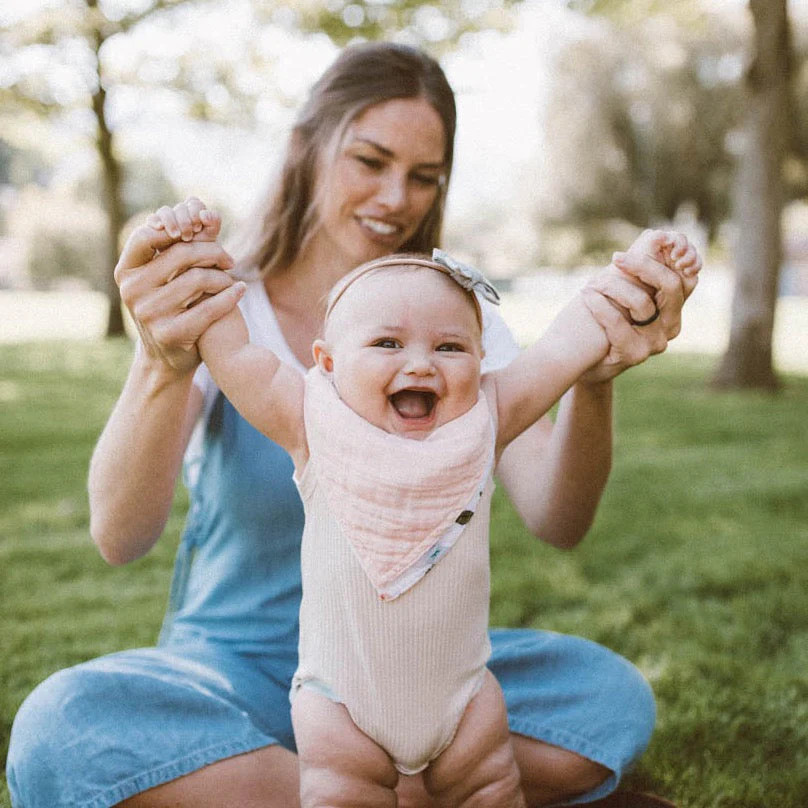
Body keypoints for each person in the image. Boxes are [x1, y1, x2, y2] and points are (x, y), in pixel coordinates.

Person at [6, 42, 700, 808]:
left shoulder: (449, 328)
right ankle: (392, 792)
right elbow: (120, 534)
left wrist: (592, 384)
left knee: (608, 698)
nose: (397, 197)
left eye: (424, 176)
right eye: (370, 161)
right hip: (237, 674)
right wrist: (162, 364)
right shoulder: (219, 309)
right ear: (307, 147)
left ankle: (308, 789)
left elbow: (559, 518)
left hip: (417, 671)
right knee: (60, 731)